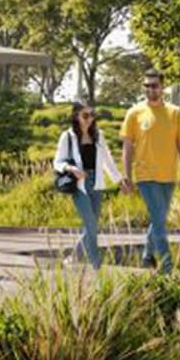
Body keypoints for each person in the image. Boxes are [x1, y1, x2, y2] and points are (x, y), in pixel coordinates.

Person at [122, 69, 180, 272]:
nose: (150, 89)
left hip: (168, 175)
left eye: (154, 85)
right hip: (145, 175)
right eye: (147, 86)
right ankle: (167, 265)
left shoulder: (174, 112)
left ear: (163, 87)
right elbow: (127, 146)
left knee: (158, 219)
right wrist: (126, 174)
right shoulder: (134, 113)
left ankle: (147, 256)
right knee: (159, 222)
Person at [53, 101, 121, 268]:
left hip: (96, 183)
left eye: (92, 115)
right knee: (90, 225)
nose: (89, 119)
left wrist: (119, 180)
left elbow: (107, 161)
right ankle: (96, 265)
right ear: (76, 116)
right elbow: (57, 162)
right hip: (80, 185)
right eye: (85, 115)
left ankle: (73, 259)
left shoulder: (99, 135)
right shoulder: (68, 136)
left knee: (92, 227)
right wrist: (72, 168)